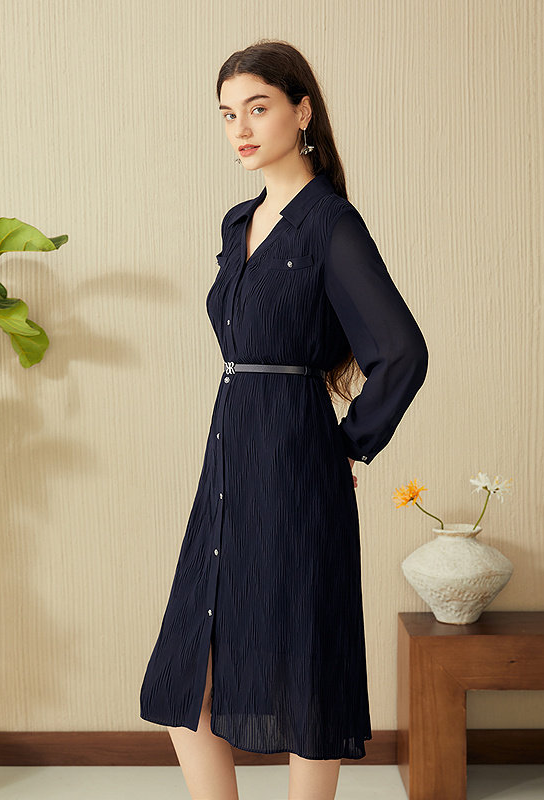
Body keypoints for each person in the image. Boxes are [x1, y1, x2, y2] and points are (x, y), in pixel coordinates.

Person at [140, 40, 429, 800]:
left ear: (302, 112)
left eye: (257, 108)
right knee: (186, 678)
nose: (239, 128)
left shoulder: (331, 224)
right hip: (229, 462)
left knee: (305, 661)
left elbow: (401, 351)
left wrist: (349, 448)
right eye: (227, 114)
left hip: (298, 466)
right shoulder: (238, 220)